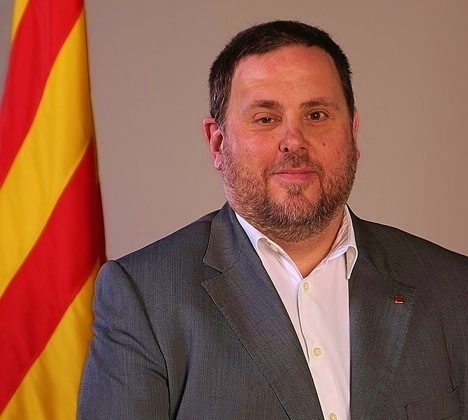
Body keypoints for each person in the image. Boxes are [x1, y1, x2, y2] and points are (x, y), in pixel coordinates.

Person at [78, 20, 468, 420]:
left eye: (316, 114)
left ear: (353, 131)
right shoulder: (145, 298)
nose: (294, 140)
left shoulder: (454, 288)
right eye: (265, 118)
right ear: (218, 142)